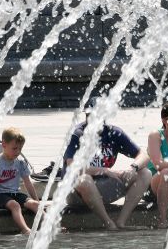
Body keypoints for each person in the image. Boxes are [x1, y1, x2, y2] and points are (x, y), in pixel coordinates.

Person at [63, 97, 152, 230]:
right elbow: (71, 165)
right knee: (85, 179)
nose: (91, 118)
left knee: (145, 173)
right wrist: (104, 170)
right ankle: (108, 223)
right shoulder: (77, 134)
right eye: (88, 115)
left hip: (103, 188)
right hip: (76, 193)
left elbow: (143, 155)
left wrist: (133, 168)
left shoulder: (114, 133)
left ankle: (121, 222)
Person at [0, 127, 40, 234]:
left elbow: (28, 183)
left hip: (15, 193)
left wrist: (36, 200)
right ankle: (25, 229)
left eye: (20, 149)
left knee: (35, 205)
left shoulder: (20, 162)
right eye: (14, 148)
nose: (17, 152)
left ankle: (52, 226)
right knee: (15, 205)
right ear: (4, 145)